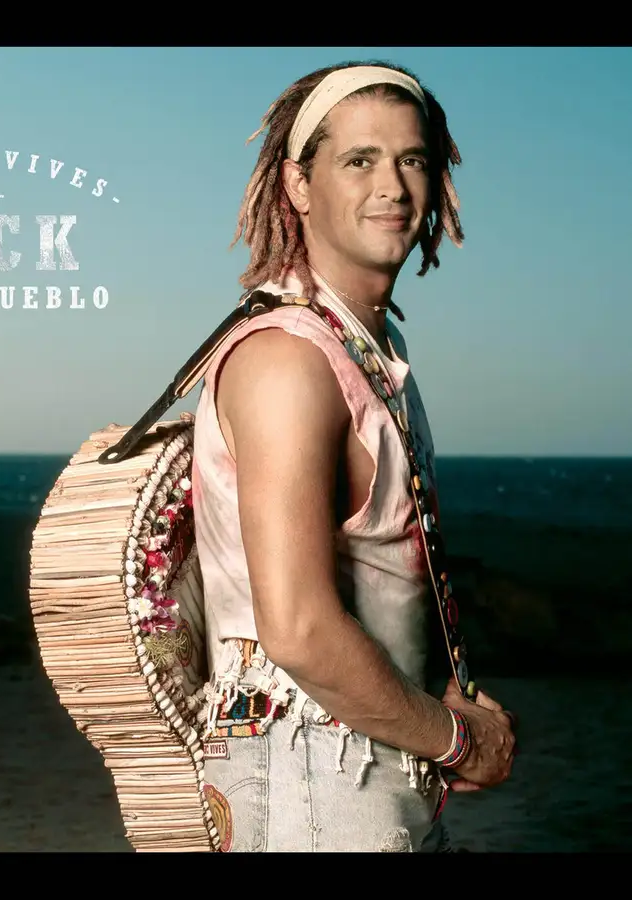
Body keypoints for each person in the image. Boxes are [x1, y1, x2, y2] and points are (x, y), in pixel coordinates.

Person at [190, 61, 517, 852]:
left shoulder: (370, 350)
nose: (393, 187)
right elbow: (299, 630)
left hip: (371, 780)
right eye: (359, 160)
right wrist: (459, 742)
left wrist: (441, 714)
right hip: (307, 793)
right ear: (298, 185)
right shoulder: (287, 362)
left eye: (412, 159)